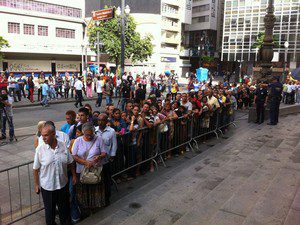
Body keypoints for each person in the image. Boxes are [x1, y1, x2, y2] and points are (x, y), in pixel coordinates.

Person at [33, 122, 76, 225]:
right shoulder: (40, 149)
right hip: (48, 188)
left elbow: (70, 162)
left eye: (46, 135)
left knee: (64, 212)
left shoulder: (63, 146)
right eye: (42, 135)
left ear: (53, 134)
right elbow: (35, 169)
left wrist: (74, 175)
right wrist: (36, 184)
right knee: (50, 214)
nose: (43, 138)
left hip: (62, 186)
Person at [71, 122, 107, 212]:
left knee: (95, 188)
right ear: (83, 132)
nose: (90, 137)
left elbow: (104, 153)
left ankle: (95, 208)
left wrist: (99, 157)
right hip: (82, 171)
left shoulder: (99, 139)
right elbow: (74, 156)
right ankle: (85, 210)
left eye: (91, 134)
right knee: (83, 190)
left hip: (95, 170)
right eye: (87, 135)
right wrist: (85, 162)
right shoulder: (78, 140)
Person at [96, 113, 117, 205]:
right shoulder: (94, 130)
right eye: (99, 120)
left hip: (106, 160)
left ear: (106, 121)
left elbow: (114, 145)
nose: (100, 122)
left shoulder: (111, 131)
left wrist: (112, 156)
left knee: (106, 180)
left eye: (102, 120)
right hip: (96, 161)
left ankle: (107, 198)